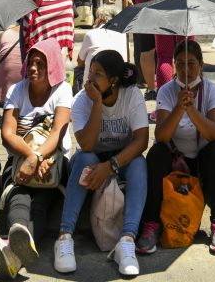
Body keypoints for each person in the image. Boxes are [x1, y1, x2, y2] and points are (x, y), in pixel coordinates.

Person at [54, 51, 148, 276]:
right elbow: (86, 144)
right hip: (92, 158)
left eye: (98, 74)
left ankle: (126, 241)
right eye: (89, 72)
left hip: (121, 158)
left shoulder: (132, 95)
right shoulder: (82, 100)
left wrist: (111, 166)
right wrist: (97, 103)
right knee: (85, 159)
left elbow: (142, 140)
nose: (90, 79)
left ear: (114, 80)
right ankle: (64, 238)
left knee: (138, 164)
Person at [137, 40, 215, 255]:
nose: (186, 70)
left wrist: (193, 112)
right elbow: (161, 135)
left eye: (192, 63)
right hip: (174, 158)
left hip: (202, 160)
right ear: (174, 66)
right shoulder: (166, 91)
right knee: (155, 153)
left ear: (201, 65)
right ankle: (151, 223)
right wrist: (179, 108)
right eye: (180, 64)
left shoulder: (211, 90)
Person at [0, 40, 72, 279]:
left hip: (53, 163)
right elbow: (7, 134)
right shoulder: (17, 90)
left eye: (41, 64)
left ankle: (12, 251)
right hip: (20, 161)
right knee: (19, 196)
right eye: (31, 62)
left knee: (41, 201)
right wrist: (29, 156)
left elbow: (58, 132)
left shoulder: (63, 90)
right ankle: (19, 243)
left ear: (53, 67)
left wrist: (37, 158)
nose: (34, 68)